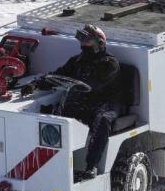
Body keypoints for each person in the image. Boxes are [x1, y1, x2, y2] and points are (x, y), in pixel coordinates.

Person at [42, 24, 120, 182]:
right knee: (52, 112)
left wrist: (74, 83)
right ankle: (49, 162)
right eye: (82, 42)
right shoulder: (77, 61)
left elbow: (94, 84)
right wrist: (40, 82)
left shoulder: (109, 63)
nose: (83, 45)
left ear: (99, 43)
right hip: (81, 103)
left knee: (103, 120)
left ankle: (91, 166)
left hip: (104, 104)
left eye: (88, 42)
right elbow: (59, 74)